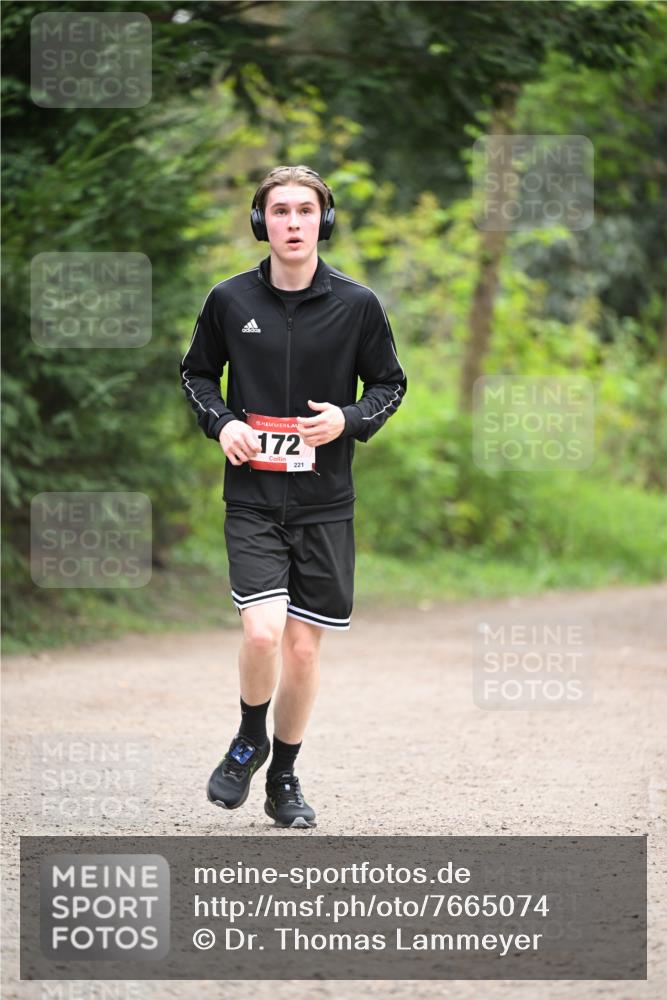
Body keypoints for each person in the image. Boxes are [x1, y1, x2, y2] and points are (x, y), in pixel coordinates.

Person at [180, 164, 406, 828]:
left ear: (323, 222)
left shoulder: (357, 305)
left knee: (303, 649)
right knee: (260, 631)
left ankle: (283, 776)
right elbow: (196, 374)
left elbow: (388, 385)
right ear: (261, 223)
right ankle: (248, 739)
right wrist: (222, 424)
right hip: (252, 498)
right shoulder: (229, 300)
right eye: (278, 211)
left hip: (325, 501)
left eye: (304, 211)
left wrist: (348, 419)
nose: (292, 223)